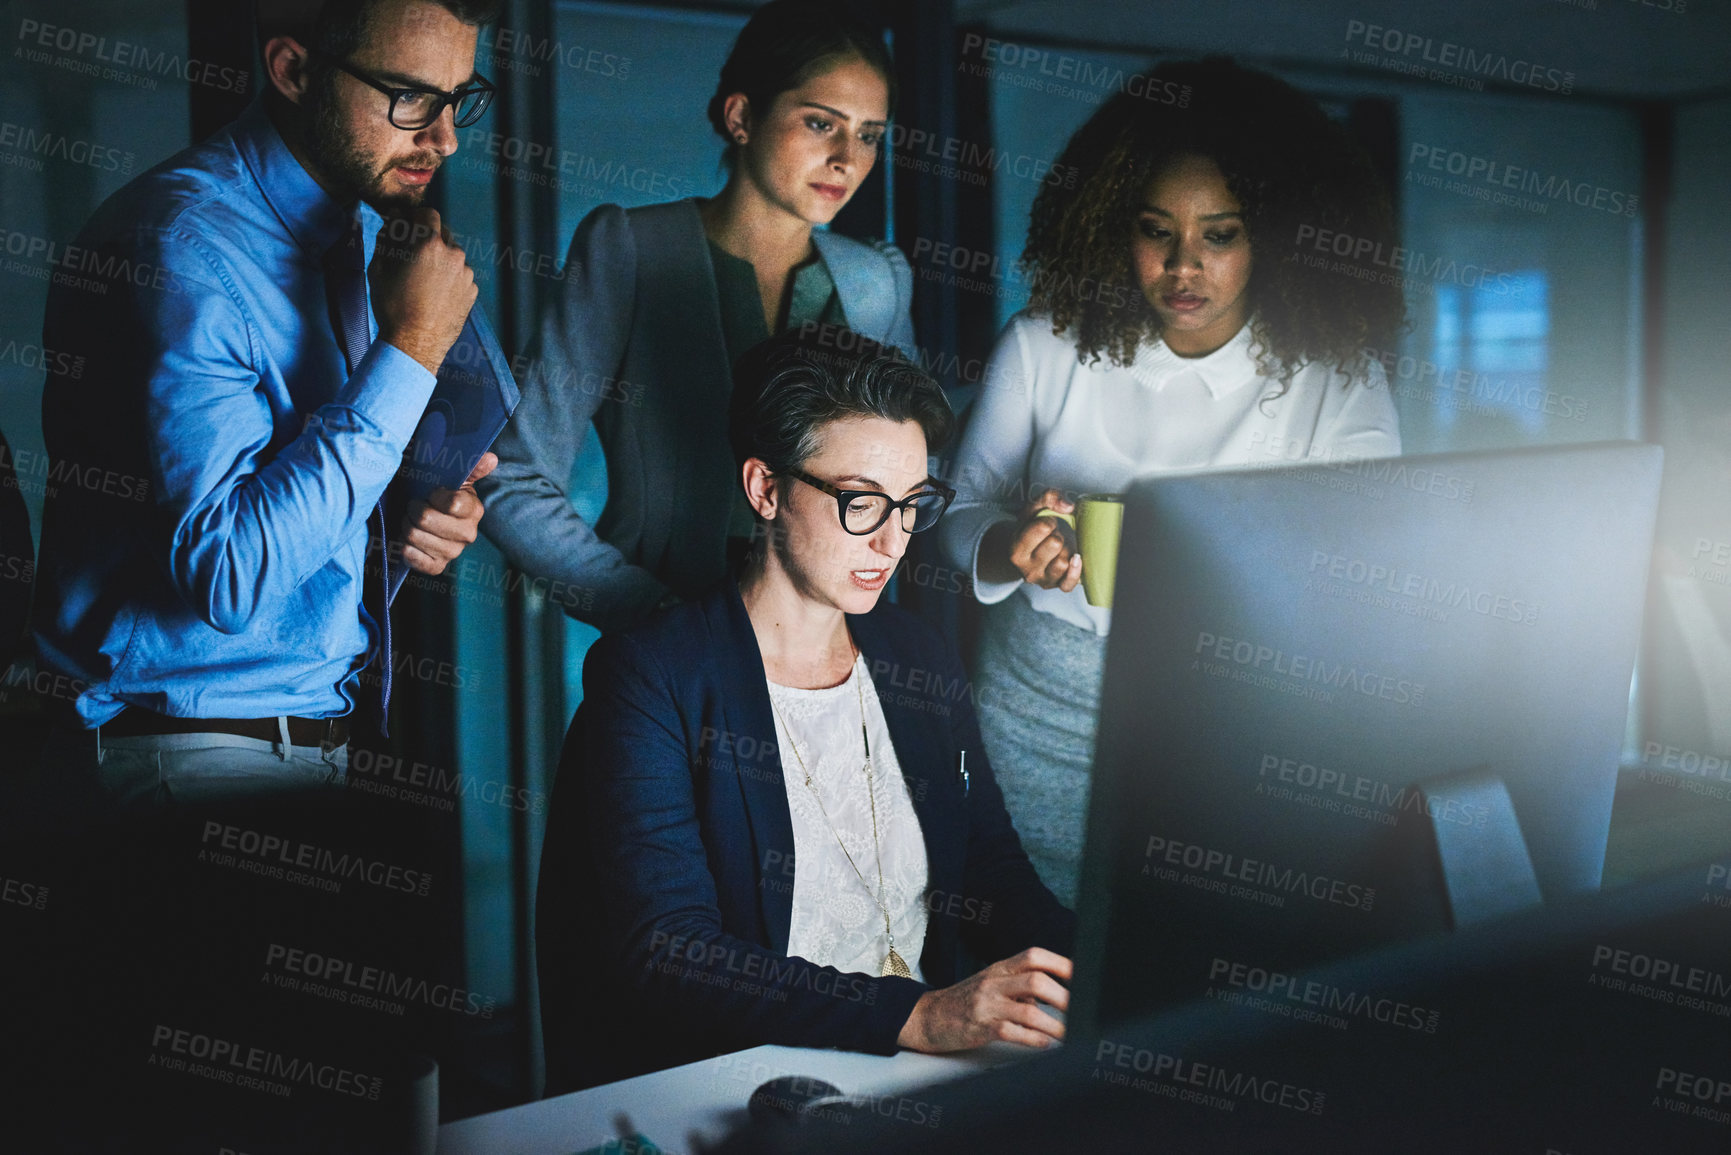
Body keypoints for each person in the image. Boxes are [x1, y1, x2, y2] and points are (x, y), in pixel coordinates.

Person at [536, 330, 1075, 1094]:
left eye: (912, 505)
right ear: (765, 489)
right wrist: (914, 1014)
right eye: (859, 502)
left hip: (918, 1079)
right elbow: (671, 949)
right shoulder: (652, 676)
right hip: (746, 1085)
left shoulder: (917, 657)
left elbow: (989, 870)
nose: (892, 540)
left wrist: (1105, 970)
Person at [938, 58, 1405, 906]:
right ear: (1114, 225)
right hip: (1042, 703)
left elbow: (1370, 574)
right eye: (1157, 231)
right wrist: (1010, 543)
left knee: (1192, 947)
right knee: (1035, 949)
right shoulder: (1044, 342)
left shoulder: (1338, 376)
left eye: (1219, 235)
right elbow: (955, 509)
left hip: (1233, 709)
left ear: (1272, 236)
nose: (1183, 266)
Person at [27, 0, 503, 815]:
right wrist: (414, 347)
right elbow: (228, 574)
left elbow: (291, 530)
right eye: (410, 97)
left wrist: (401, 524)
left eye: (461, 97)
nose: (445, 137)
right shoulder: (178, 251)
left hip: (301, 742)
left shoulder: (359, 226)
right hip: (178, 763)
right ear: (291, 69)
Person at [478, 0, 915, 634]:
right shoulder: (630, 251)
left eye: (870, 134)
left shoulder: (878, 281)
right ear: (741, 116)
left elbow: (916, 479)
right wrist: (647, 612)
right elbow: (513, 474)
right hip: (662, 659)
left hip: (834, 657)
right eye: (822, 123)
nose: (849, 157)